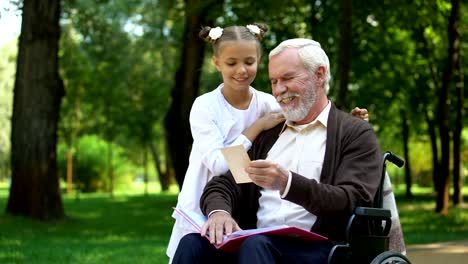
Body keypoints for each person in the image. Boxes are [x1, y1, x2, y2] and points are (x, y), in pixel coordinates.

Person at [172, 38, 382, 264]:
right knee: (193, 244)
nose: (279, 90)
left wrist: (287, 183)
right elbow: (223, 182)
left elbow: (351, 200)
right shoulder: (269, 133)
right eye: (274, 81)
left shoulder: (353, 133)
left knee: (257, 246)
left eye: (288, 78)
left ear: (320, 75)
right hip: (257, 244)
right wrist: (219, 212)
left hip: (321, 250)